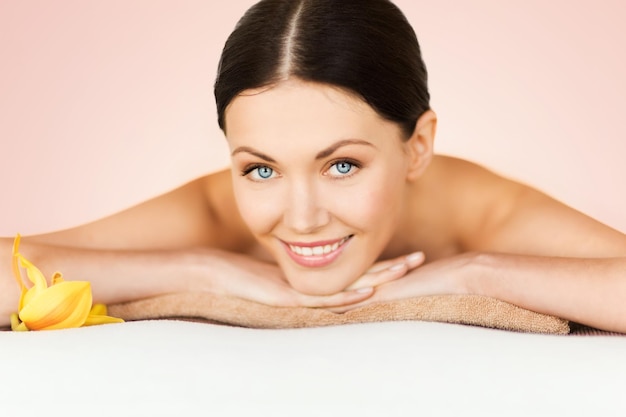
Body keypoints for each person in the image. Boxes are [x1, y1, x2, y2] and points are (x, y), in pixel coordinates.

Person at [2, 0, 625, 332]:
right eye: (261, 170)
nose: (301, 219)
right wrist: (204, 267)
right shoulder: (212, 212)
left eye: (343, 166)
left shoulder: (487, 214)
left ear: (418, 146)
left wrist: (478, 275)